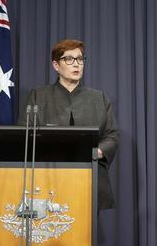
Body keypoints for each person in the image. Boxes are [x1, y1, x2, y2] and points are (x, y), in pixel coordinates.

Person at [19, 39, 119, 210]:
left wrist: (99, 151)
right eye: (69, 59)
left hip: (88, 177)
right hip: (48, 177)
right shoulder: (39, 96)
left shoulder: (98, 98)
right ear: (56, 65)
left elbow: (112, 135)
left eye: (80, 59)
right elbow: (24, 133)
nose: (76, 64)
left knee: (86, 235)